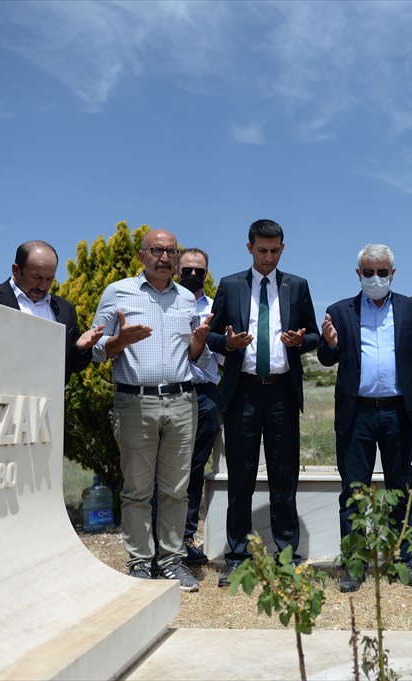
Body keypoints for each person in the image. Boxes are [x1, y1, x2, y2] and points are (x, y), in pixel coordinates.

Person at [90, 229, 212, 592]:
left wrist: (199, 345)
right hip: (134, 401)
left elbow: (194, 355)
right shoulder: (118, 292)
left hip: (181, 401)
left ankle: (172, 560)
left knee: (177, 489)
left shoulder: (187, 299)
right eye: (156, 250)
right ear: (142, 255)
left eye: (170, 251)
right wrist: (117, 342)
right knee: (137, 490)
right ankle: (141, 562)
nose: (164, 257)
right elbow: (95, 349)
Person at [319, 243, 412, 592]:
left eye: (381, 271)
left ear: (392, 273)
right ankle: (354, 564)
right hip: (357, 415)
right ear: (359, 274)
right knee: (353, 492)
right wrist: (328, 344)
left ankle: (406, 563)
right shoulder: (339, 311)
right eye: (368, 272)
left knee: (401, 490)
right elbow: (328, 358)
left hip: (398, 413)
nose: (375, 278)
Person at [207, 220, 321, 587]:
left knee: (284, 478)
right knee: (240, 478)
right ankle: (237, 557)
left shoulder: (297, 286)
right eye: (261, 251)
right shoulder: (230, 285)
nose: (268, 257)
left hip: (283, 392)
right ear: (249, 247)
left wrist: (299, 342)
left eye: (274, 251)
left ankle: (286, 557)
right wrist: (228, 344)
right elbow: (210, 334)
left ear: (282, 249)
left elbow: (314, 335)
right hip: (243, 391)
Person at [148, 247, 225, 566]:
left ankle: (185, 538)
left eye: (200, 271)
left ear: (207, 274)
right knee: (160, 470)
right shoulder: (164, 302)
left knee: (193, 471)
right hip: (166, 392)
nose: (193, 275)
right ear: (177, 270)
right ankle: (156, 542)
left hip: (204, 394)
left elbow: (222, 354)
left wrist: (204, 346)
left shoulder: (217, 310)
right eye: (187, 270)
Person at [0, 241, 104, 385]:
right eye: (37, 277)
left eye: (49, 279)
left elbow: (74, 366)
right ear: (16, 270)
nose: (43, 286)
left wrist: (81, 348)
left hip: (48, 404)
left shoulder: (65, 310)